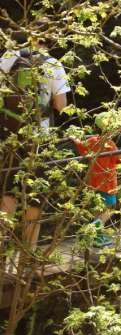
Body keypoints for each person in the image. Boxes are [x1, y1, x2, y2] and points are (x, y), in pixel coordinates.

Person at [0, 28, 71, 252]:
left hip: (8, 134)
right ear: (51, 41)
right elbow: (61, 106)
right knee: (34, 198)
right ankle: (28, 253)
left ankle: (2, 249)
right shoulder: (54, 65)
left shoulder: (8, 57)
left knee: (7, 193)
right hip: (38, 139)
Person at [72, 113, 121, 247]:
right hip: (108, 183)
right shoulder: (110, 144)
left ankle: (97, 238)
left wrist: (73, 138)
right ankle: (89, 230)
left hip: (94, 183)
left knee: (99, 210)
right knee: (110, 208)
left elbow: (80, 145)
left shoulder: (92, 141)